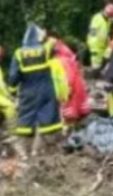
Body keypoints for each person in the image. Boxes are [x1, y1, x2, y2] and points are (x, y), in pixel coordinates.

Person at [8, 24, 68, 157]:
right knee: (45, 117)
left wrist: (12, 90)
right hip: (46, 89)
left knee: (25, 118)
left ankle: (23, 151)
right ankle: (36, 149)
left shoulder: (18, 53)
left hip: (27, 91)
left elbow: (13, 76)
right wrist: (46, 36)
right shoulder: (45, 49)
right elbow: (53, 45)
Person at [54, 39, 91, 129]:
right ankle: (75, 129)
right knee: (76, 111)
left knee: (69, 113)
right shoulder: (69, 59)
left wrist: (67, 89)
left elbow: (68, 77)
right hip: (77, 87)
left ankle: (69, 131)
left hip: (71, 89)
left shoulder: (61, 60)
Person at [86, 3, 113, 71]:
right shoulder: (97, 18)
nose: (111, 18)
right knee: (96, 66)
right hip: (96, 47)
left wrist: (108, 41)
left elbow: (106, 32)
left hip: (103, 46)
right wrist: (93, 47)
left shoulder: (108, 20)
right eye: (111, 16)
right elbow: (92, 33)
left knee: (105, 63)